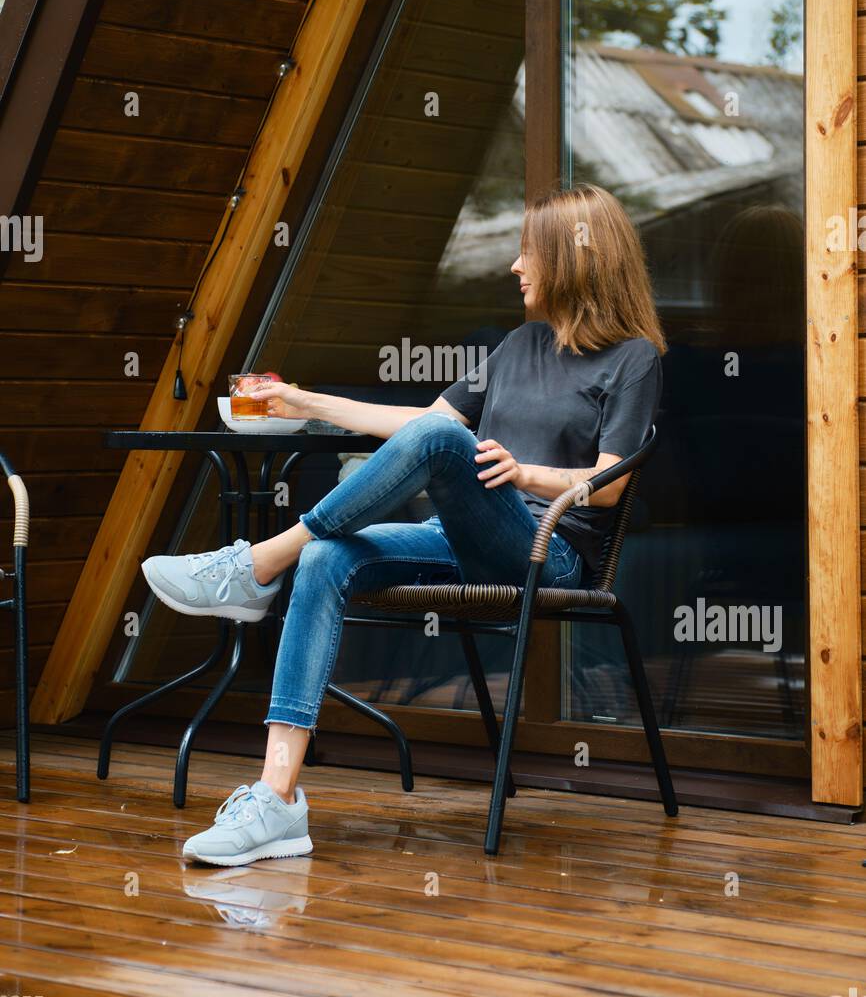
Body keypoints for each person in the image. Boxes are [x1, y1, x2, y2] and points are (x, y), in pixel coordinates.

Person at [143, 186, 666, 865]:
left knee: (446, 446)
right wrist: (306, 399)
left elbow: (611, 484)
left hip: (550, 551)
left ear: (575, 258)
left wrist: (524, 473)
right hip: (463, 541)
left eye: (528, 251)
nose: (515, 265)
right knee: (328, 557)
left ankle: (257, 564)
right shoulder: (519, 345)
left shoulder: (635, 359)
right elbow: (419, 427)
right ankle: (277, 800)